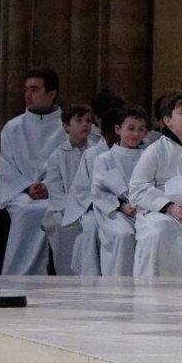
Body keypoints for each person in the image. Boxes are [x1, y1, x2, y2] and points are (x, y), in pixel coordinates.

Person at [127, 92, 182, 278]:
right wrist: (168, 206)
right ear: (168, 120)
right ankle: (154, 290)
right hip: (160, 211)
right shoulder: (155, 150)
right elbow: (137, 187)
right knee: (158, 232)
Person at [0, 68, 69, 274]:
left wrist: (48, 187)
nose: (28, 95)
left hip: (57, 194)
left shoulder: (66, 125)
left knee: (52, 212)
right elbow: (4, 166)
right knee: (29, 211)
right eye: (26, 89)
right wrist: (28, 187)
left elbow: (73, 163)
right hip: (21, 194)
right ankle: (18, 274)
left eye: (35, 89)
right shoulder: (13, 128)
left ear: (52, 93)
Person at [90, 105, 150, 275]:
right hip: (116, 211)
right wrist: (122, 206)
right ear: (118, 129)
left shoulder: (148, 156)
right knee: (124, 235)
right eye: (131, 128)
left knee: (152, 234)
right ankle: (118, 283)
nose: (136, 134)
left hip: (145, 209)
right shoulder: (105, 159)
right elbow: (99, 192)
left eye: (141, 129)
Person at [40, 104, 93, 275]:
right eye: (79, 120)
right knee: (60, 225)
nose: (85, 124)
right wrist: (69, 209)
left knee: (91, 226)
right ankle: (65, 274)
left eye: (88, 121)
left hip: (90, 206)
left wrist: (86, 206)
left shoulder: (96, 153)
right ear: (66, 126)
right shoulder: (57, 156)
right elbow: (54, 187)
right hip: (64, 208)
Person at [68, 104, 120, 276]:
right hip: (95, 207)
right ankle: (91, 277)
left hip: (124, 208)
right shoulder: (91, 155)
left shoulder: (131, 152)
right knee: (90, 228)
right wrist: (99, 204)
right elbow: (81, 190)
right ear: (106, 132)